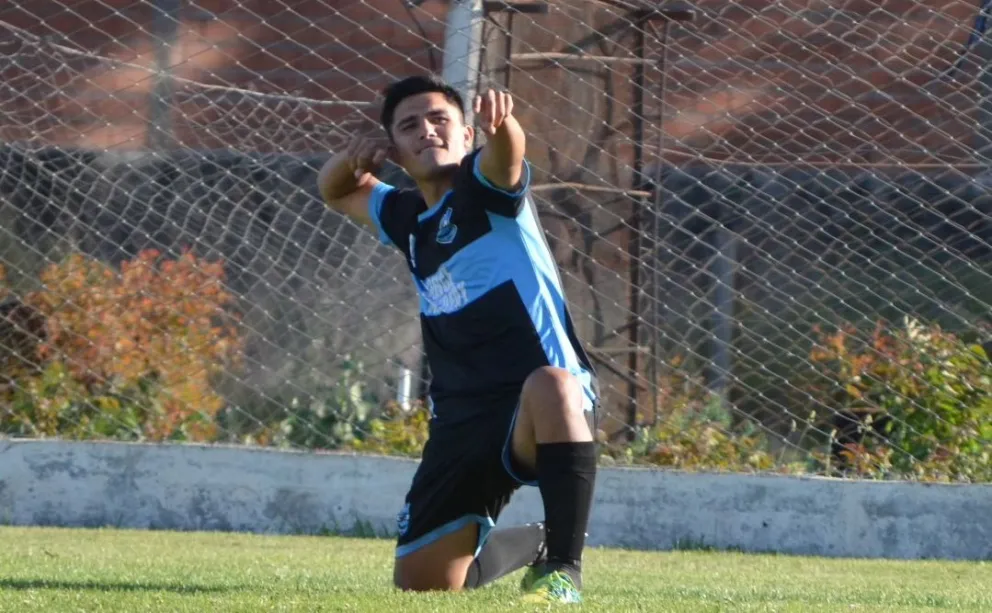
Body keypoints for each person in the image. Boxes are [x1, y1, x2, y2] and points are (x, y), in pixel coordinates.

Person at [317, 74, 599, 604]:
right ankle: (532, 544)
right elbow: (334, 191)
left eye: (440, 119)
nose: (427, 131)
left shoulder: (485, 190)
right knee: (423, 583)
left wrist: (504, 126)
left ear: (467, 135)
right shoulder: (404, 216)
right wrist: (352, 160)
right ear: (396, 150)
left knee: (553, 383)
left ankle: (563, 568)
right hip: (460, 420)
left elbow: (508, 157)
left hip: (533, 410)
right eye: (410, 126)